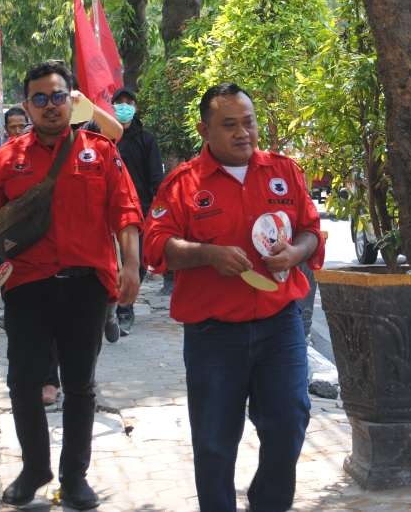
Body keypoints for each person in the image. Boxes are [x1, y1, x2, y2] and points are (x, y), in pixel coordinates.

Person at [0, 60, 142, 510]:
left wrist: (132, 266)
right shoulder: (8, 158)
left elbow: (125, 213)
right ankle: (34, 468)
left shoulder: (100, 151)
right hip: (27, 286)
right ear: (27, 105)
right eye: (40, 99)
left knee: (80, 384)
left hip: (85, 287)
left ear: (73, 101)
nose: (51, 106)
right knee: (23, 382)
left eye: (58, 96)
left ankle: (74, 476)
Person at [144, 83, 324, 512]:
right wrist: (208, 255)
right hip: (213, 334)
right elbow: (158, 247)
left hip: (280, 324)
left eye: (249, 122)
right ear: (206, 131)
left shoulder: (283, 172)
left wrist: (295, 253)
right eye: (230, 125)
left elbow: (311, 231)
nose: (244, 132)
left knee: (289, 423)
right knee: (214, 443)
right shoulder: (184, 184)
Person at [110, 87, 165, 335]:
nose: (123, 106)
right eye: (118, 102)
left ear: (135, 107)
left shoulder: (146, 140)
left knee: (137, 262)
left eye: (128, 102)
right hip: (107, 211)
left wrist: (158, 210)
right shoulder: (104, 137)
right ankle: (110, 307)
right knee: (110, 262)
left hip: (139, 212)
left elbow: (156, 178)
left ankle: (125, 307)